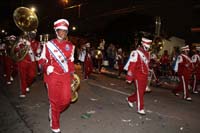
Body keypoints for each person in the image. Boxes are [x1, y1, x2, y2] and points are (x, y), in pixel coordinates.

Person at [39, 19, 75, 133]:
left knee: (66, 100)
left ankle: (54, 110)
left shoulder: (70, 46)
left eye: (65, 31)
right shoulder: (48, 45)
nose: (63, 33)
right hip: (52, 76)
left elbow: (70, 63)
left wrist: (72, 77)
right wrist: (46, 67)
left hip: (65, 76)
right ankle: (55, 124)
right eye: (61, 30)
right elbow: (41, 61)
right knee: (54, 101)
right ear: (56, 31)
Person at [124, 37, 152, 115]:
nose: (147, 49)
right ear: (142, 45)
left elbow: (146, 65)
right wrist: (129, 77)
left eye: (148, 47)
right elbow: (131, 66)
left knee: (141, 92)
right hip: (137, 75)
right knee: (140, 92)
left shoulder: (148, 54)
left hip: (145, 76)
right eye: (146, 47)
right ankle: (140, 108)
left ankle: (130, 99)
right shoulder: (135, 53)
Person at [16, 31, 39, 98]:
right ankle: (23, 92)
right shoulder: (23, 41)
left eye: (33, 34)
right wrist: (19, 43)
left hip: (32, 62)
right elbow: (16, 50)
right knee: (22, 77)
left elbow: (37, 53)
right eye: (30, 33)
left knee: (32, 76)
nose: (32, 35)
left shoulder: (37, 43)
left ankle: (27, 85)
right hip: (23, 61)